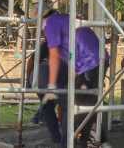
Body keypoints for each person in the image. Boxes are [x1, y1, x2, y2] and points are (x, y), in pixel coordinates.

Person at [39, 8, 104, 145]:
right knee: (87, 103)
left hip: (89, 62)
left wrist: (51, 86)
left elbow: (54, 55)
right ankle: (83, 141)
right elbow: (72, 56)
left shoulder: (50, 23)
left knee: (73, 106)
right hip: (98, 60)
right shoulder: (66, 21)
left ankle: (68, 143)